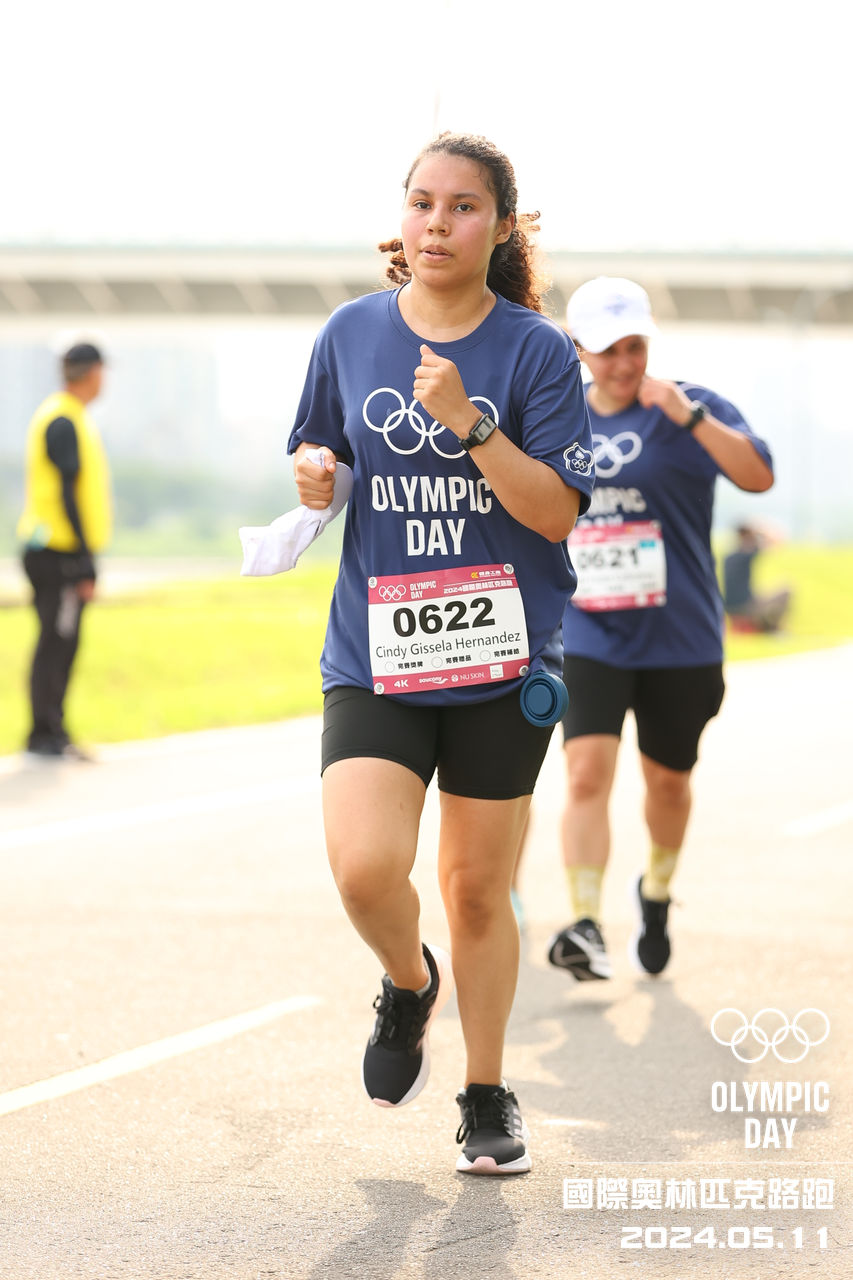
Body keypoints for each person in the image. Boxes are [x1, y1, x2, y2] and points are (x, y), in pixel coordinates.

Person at [288, 132, 594, 1174]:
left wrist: (468, 422)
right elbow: (321, 449)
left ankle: (485, 1089)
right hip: (377, 650)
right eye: (421, 202)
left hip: (502, 659)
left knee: (473, 888)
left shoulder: (536, 352)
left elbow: (554, 513)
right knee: (365, 868)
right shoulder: (350, 332)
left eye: (463, 207)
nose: (436, 222)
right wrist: (315, 472)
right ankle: (409, 981)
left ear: (500, 227)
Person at [541, 277, 774, 983]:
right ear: (579, 350)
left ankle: (657, 892)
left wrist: (689, 417)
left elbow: (758, 476)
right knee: (586, 773)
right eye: (607, 349)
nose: (624, 363)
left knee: (667, 784)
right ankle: (585, 921)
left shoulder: (691, 406)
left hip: (681, 637)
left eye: (635, 347)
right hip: (589, 632)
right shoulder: (555, 416)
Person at [17, 342, 112, 759]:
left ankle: (51, 730)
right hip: (58, 552)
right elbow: (68, 494)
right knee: (57, 642)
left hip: (58, 549)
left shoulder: (65, 415)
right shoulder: (63, 420)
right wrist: (84, 560)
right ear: (92, 373)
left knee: (60, 641)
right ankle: (45, 734)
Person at [723, 523, 791, 632]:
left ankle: (765, 626)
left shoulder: (729, 557)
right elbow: (775, 542)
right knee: (786, 590)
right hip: (746, 605)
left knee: (762, 594)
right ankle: (771, 628)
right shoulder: (747, 554)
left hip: (729, 607)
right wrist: (760, 531)